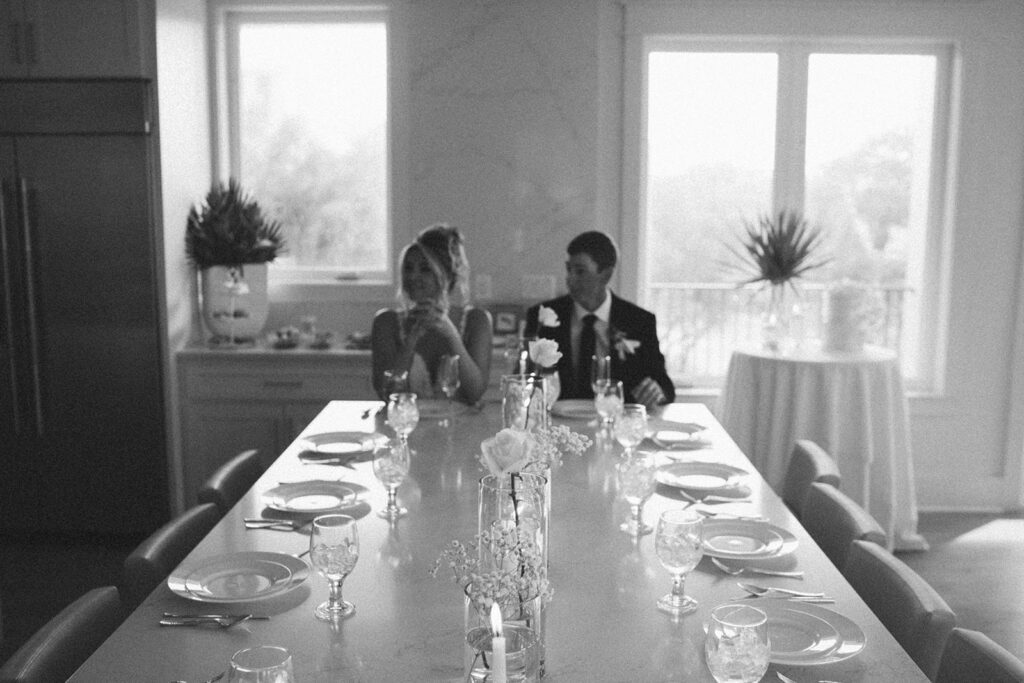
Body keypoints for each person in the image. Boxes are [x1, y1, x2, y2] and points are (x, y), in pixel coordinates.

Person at [523, 230, 675, 410]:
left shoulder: (639, 321)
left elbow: (664, 385)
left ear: (606, 275)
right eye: (568, 269)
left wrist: (655, 391)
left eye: (580, 271)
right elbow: (523, 379)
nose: (569, 278)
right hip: (557, 423)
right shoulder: (544, 316)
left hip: (615, 422)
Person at [371, 224, 493, 404]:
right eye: (408, 268)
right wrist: (411, 341)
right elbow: (386, 393)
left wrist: (451, 334)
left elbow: (475, 393)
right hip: (406, 428)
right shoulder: (386, 322)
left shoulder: (476, 320)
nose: (413, 276)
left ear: (448, 275)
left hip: (460, 429)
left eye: (425, 269)